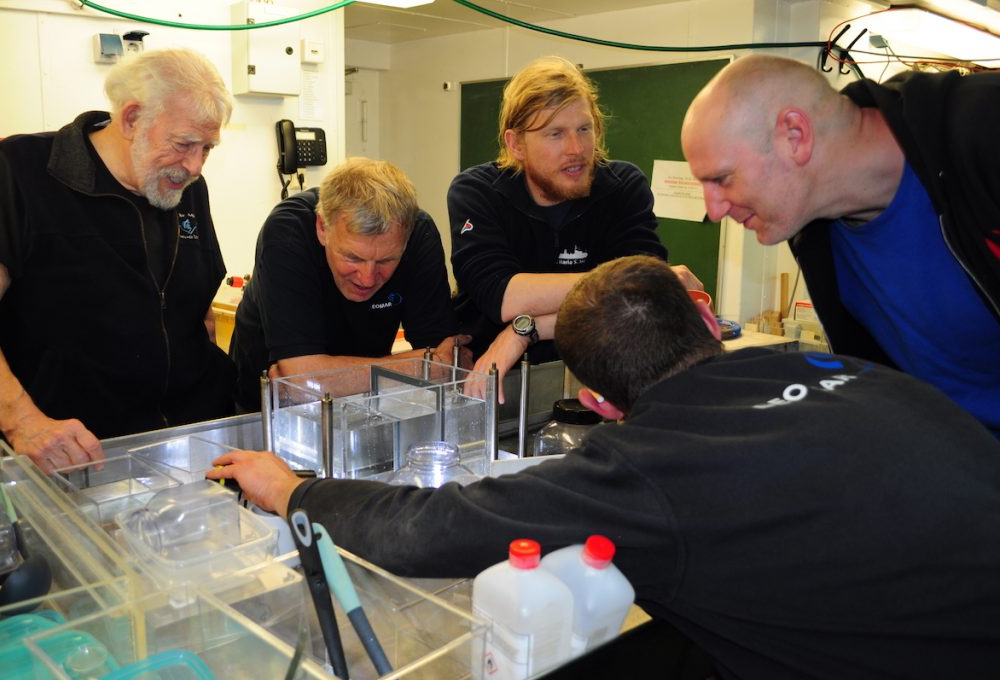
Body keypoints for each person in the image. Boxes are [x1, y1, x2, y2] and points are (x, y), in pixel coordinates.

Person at [209, 255, 1000, 679]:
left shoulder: (652, 468)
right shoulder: (844, 372)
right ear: (705, 319)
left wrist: (293, 489)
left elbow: (432, 531)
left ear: (596, 401)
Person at [680, 54, 1000, 436]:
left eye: (722, 178)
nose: (713, 210)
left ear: (794, 136)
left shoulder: (986, 130)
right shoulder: (816, 236)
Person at [0, 48, 237, 474]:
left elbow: (196, 312)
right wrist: (24, 423)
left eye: (207, 148)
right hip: (73, 460)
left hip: (186, 452)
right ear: (132, 118)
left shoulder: (187, 188)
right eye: (184, 144)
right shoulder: (23, 173)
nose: (194, 165)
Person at [447, 55, 702, 395]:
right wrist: (626, 284)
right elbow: (505, 298)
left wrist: (525, 330)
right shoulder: (476, 192)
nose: (577, 149)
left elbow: (638, 305)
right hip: (494, 385)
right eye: (555, 134)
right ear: (516, 144)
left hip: (598, 380)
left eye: (585, 129)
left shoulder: (623, 187)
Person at [230, 157, 470, 412]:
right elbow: (302, 380)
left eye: (387, 260)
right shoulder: (288, 230)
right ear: (322, 228)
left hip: (364, 407)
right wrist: (419, 365)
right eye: (353, 258)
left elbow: (449, 361)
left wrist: (320, 378)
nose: (367, 278)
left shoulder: (419, 233)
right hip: (265, 413)